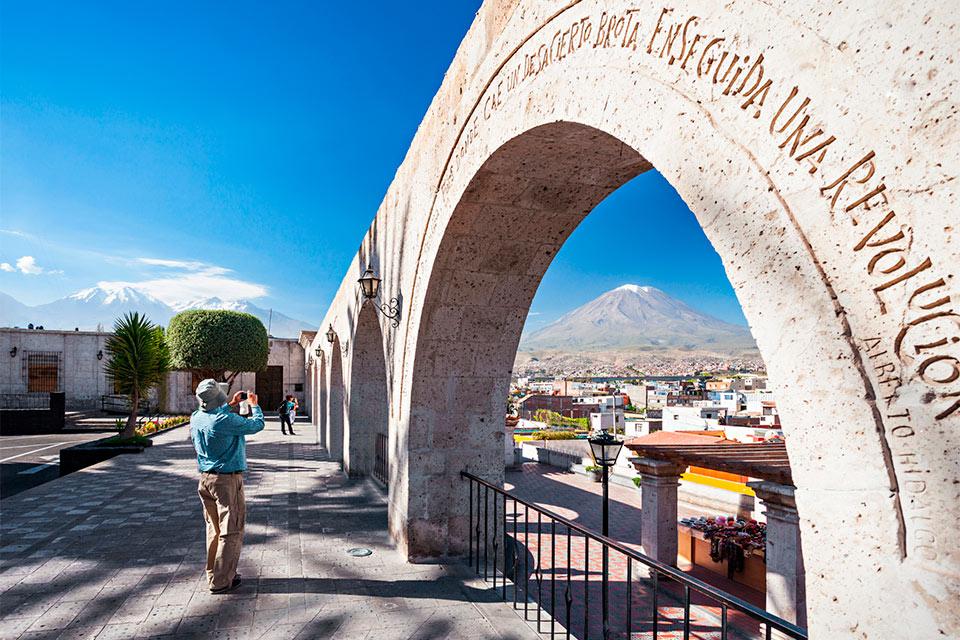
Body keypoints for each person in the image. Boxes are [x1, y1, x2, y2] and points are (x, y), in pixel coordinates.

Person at [190, 379, 264, 594]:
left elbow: (217, 416)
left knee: (213, 530)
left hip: (206, 480)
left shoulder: (197, 417)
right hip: (226, 481)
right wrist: (254, 405)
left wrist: (230, 403)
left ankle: (215, 574)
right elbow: (257, 425)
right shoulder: (224, 420)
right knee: (231, 529)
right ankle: (221, 581)